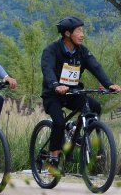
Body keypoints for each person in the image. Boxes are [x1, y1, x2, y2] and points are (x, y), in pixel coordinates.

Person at [41, 16, 120, 167]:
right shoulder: (51, 50)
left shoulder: (82, 51)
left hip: (74, 93)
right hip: (53, 94)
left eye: (82, 31)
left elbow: (95, 67)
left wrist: (109, 84)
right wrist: (55, 85)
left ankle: (78, 136)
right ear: (67, 34)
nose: (82, 34)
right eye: (78, 31)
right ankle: (53, 156)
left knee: (95, 107)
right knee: (58, 122)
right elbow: (47, 69)